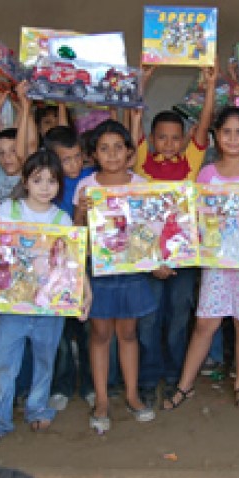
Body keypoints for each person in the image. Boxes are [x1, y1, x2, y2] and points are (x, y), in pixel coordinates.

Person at [163, 106, 239, 410]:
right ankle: (184, 385)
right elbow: (197, 219)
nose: (232, 138)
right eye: (226, 132)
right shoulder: (207, 174)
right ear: (216, 135)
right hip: (216, 262)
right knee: (205, 323)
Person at [0, 150, 87, 445]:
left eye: (52, 181)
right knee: (4, 361)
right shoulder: (7, 211)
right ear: (25, 181)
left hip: (48, 305)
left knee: (45, 357)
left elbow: (72, 263)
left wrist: (82, 296)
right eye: (38, 180)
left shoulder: (62, 219)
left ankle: (38, 407)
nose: (44, 187)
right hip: (13, 304)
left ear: (59, 186)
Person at [130, 65, 215, 406]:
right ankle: (149, 379)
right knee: (148, 321)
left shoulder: (191, 163)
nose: (168, 143)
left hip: (184, 256)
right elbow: (133, 119)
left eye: (174, 137)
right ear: (151, 139)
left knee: (179, 319)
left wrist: (210, 87)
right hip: (149, 256)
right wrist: (142, 82)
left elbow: (205, 122)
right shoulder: (140, 163)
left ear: (184, 140)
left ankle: (177, 377)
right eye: (161, 137)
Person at [73, 120, 157, 433]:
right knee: (99, 334)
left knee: (129, 334)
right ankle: (103, 399)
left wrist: (158, 260)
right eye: (104, 149)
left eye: (117, 148)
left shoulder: (142, 185)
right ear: (94, 154)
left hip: (132, 270)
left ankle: (133, 395)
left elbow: (151, 231)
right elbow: (77, 234)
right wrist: (81, 213)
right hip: (99, 272)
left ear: (130, 154)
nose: (111, 154)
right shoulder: (86, 186)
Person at [44, 124, 95, 411]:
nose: (74, 164)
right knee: (60, 331)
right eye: (66, 159)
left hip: (87, 261)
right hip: (55, 266)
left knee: (87, 326)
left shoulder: (91, 178)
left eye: (78, 157)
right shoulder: (48, 186)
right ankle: (62, 385)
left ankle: (89, 384)